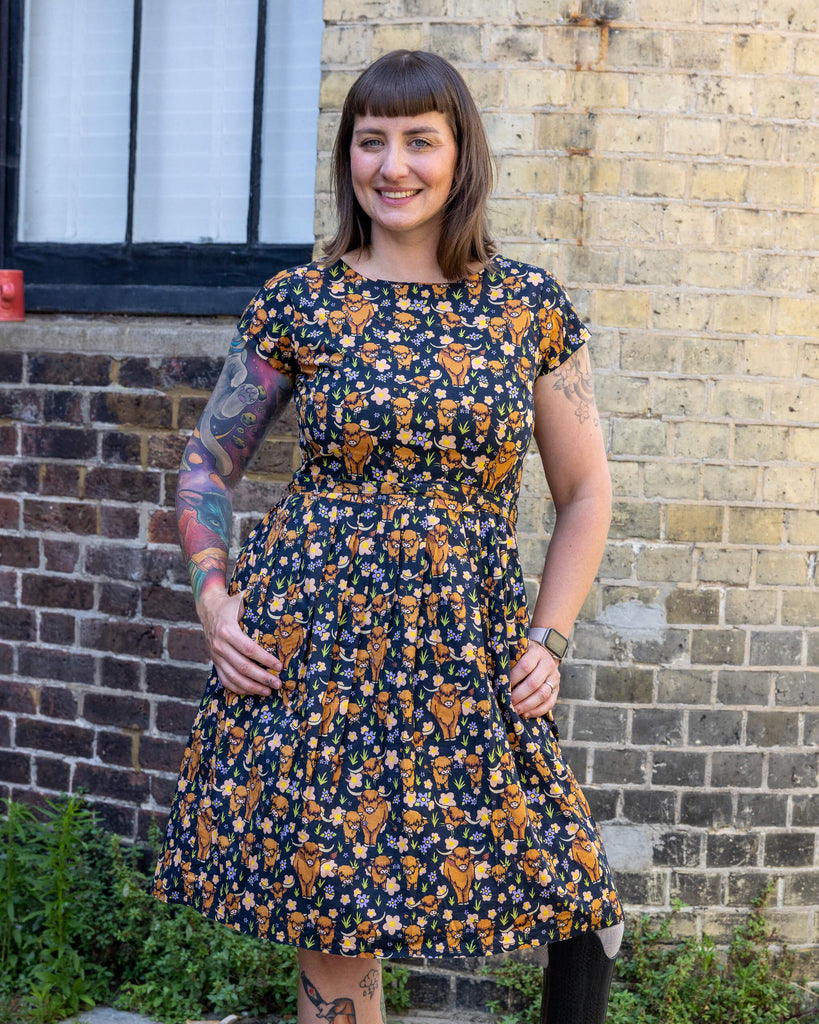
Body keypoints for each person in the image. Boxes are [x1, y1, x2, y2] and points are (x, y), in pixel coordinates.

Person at [152, 49, 624, 1024]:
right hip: (316, 645)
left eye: (419, 140)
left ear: (461, 157)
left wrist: (550, 635)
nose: (393, 165)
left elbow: (584, 490)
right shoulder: (301, 303)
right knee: (334, 909)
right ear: (348, 157)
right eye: (372, 142)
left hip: (466, 643)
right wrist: (212, 593)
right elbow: (206, 463)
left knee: (575, 884)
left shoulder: (525, 308)